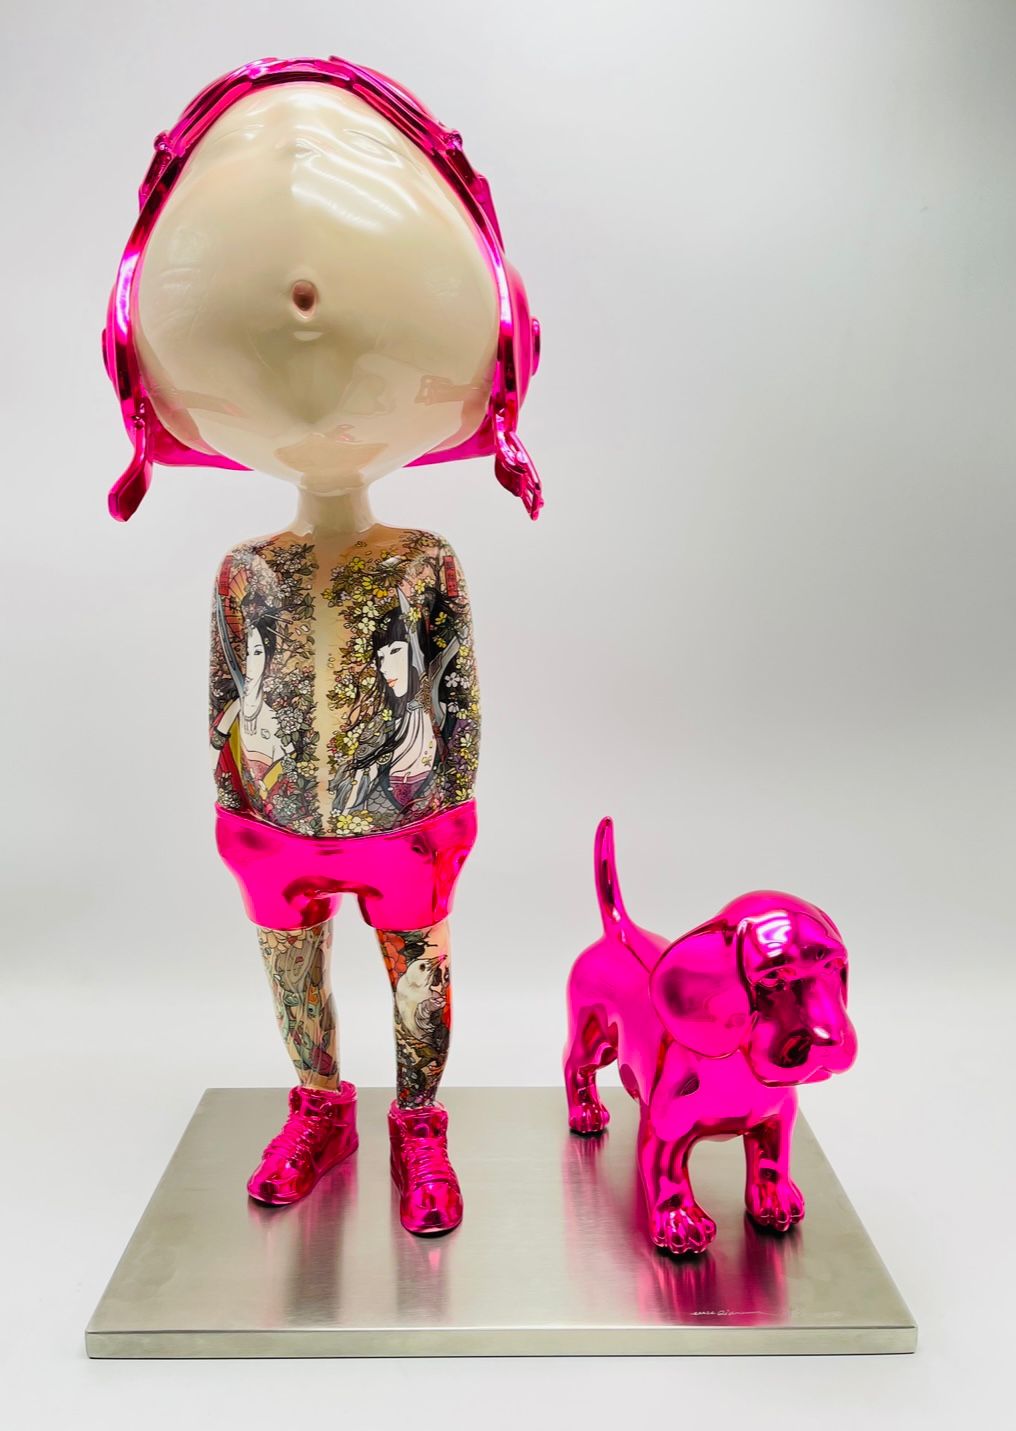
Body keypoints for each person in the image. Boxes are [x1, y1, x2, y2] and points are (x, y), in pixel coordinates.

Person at [103, 56, 541, 1237]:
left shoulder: (423, 559)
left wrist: (446, 794)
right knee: (289, 968)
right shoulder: (246, 568)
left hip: (404, 813)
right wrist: (233, 795)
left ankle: (419, 1125)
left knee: (418, 966)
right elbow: (222, 696)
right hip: (273, 816)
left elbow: (457, 696)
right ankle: (319, 1106)